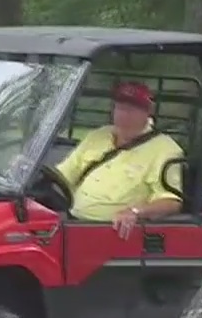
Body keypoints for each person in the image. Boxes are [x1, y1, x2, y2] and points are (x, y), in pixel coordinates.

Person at [54, 81, 185, 237]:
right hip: (71, 224)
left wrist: (134, 212)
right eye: (119, 107)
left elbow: (171, 202)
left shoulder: (165, 149)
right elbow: (63, 175)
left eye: (130, 109)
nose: (123, 115)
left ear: (147, 112)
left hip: (116, 234)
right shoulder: (98, 136)